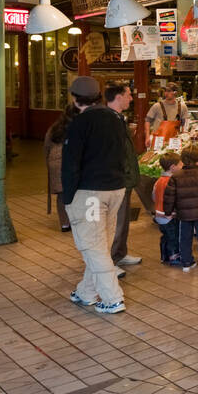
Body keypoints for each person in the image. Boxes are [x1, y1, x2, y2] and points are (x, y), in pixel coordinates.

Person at [62, 76, 130, 314]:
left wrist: (68, 198)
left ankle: (112, 298)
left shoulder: (80, 123)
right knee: (101, 245)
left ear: (74, 98)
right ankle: (86, 292)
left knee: (93, 246)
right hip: (116, 190)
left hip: (91, 193)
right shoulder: (116, 118)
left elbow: (71, 164)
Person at [104, 84, 142, 270]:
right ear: (118, 97)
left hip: (124, 179)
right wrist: (123, 172)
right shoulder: (108, 120)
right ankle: (110, 261)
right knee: (116, 222)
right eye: (128, 95)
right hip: (117, 180)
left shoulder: (119, 118)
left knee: (123, 220)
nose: (131, 99)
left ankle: (120, 253)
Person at [164, 145, 198, 271]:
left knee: (185, 237)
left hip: (183, 213)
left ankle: (186, 262)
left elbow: (169, 196)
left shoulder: (175, 176)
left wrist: (168, 211)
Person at [43, 104, 78, 231]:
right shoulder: (78, 126)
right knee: (75, 193)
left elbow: (46, 146)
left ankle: (64, 224)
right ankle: (74, 220)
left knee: (61, 194)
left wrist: (49, 162)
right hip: (70, 161)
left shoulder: (55, 127)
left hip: (54, 162)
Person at [153, 153, 182, 265]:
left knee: (165, 236)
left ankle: (164, 256)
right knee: (173, 237)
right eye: (180, 164)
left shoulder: (159, 180)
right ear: (173, 167)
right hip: (169, 215)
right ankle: (174, 257)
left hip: (159, 215)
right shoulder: (172, 181)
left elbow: (153, 196)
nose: (182, 166)